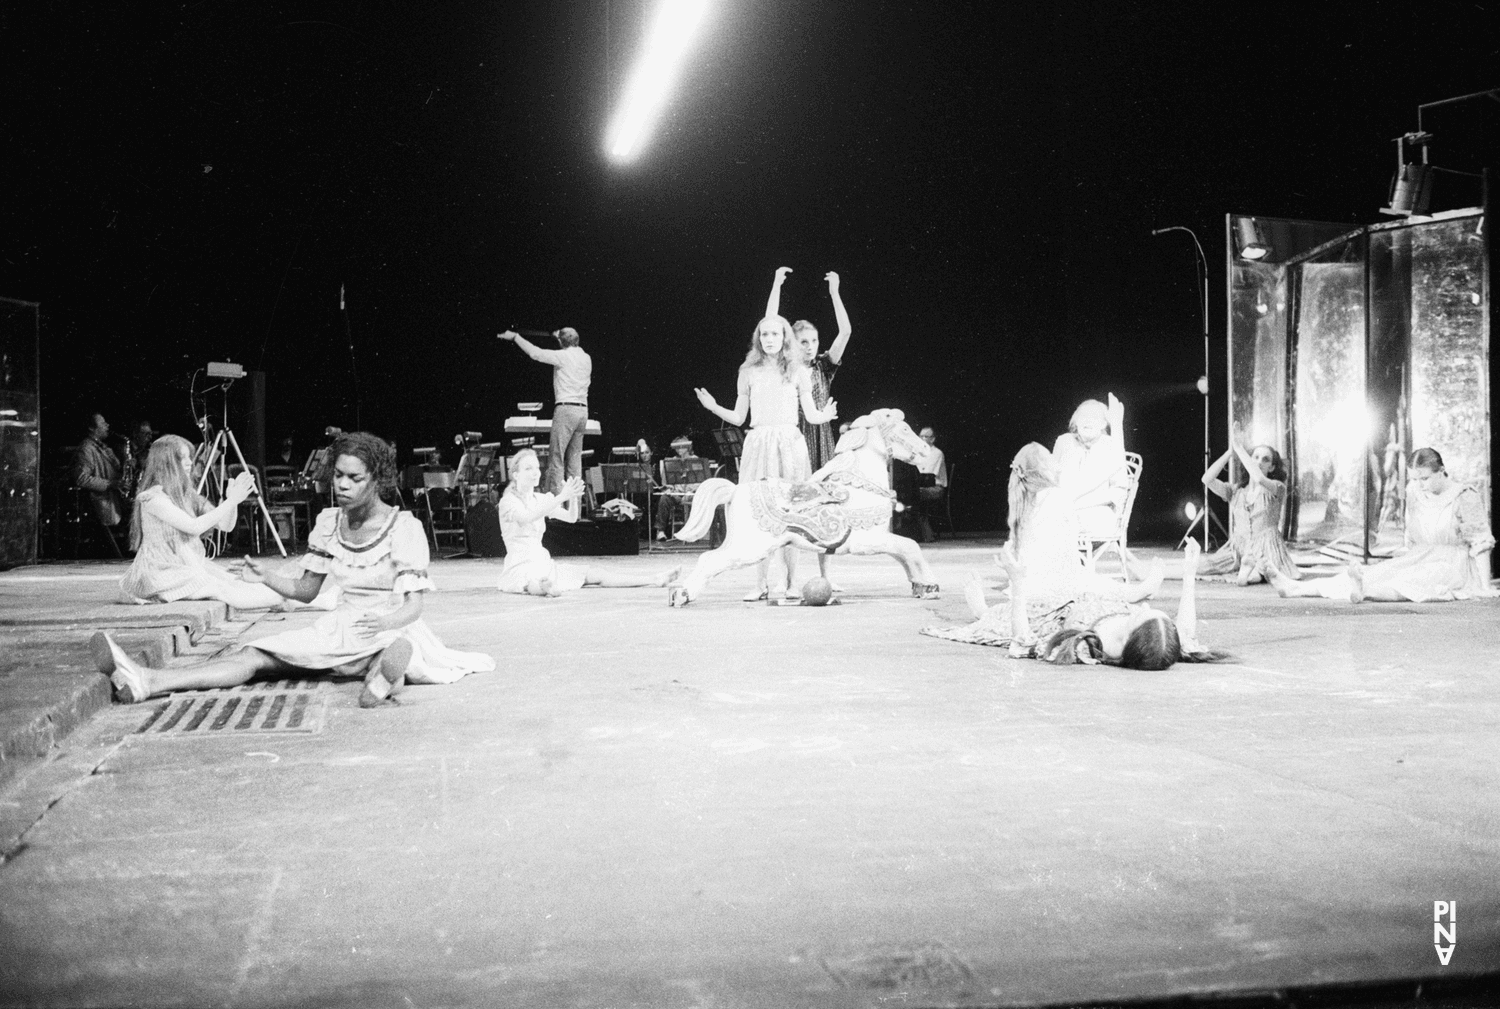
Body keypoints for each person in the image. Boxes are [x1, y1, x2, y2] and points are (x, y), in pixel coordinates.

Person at [92, 431, 494, 708]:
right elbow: (307, 591)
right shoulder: (328, 523)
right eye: (338, 475)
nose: (343, 485)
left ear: (378, 480)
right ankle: (147, 681)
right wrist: (267, 577)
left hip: (390, 626)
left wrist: (387, 621)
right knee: (255, 654)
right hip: (341, 625)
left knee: (385, 650)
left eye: (355, 478)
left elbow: (413, 606)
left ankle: (385, 671)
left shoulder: (403, 527)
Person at [694, 311, 838, 600]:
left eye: (775, 334)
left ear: (785, 337)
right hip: (759, 442)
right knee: (758, 513)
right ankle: (760, 583)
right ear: (758, 339)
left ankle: (792, 582)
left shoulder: (799, 371)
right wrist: (712, 407)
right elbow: (738, 417)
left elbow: (810, 415)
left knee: (792, 514)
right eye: (764, 334)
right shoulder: (747, 371)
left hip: (790, 443)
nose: (769, 339)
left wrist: (825, 415)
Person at [1271, 448, 1496, 603]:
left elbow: (1481, 542)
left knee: (1421, 579)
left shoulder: (1463, 495)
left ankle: (1364, 591)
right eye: (1414, 479)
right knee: (1381, 571)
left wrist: (1484, 586)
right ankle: (1297, 588)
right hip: (1423, 554)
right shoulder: (1414, 491)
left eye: (1424, 479)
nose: (1419, 485)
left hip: (1455, 564)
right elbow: (1414, 536)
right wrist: (1408, 559)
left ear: (1442, 470)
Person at [119, 434, 285, 609]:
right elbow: (194, 527)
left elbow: (225, 526)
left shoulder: (187, 495)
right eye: (182, 458)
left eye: (189, 457)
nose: (190, 462)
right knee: (221, 588)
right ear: (167, 464)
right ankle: (285, 600)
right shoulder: (152, 498)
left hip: (185, 566)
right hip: (161, 573)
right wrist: (231, 501)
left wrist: (230, 502)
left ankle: (290, 597)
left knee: (236, 581)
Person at [496, 448, 680, 596]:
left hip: (542, 562)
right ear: (516, 475)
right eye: (528, 469)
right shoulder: (508, 502)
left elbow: (571, 518)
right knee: (531, 582)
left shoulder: (541, 499)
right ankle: (544, 588)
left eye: (536, 468)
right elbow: (527, 517)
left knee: (595, 573)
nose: (535, 473)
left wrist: (574, 497)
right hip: (519, 565)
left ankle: (654, 579)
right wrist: (562, 496)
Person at [1196, 427, 1299, 585]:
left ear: (1271, 467)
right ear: (1249, 460)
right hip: (1239, 549)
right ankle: (1246, 571)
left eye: (1265, 459)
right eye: (1256, 457)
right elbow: (1207, 479)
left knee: (1265, 568)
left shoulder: (1277, 487)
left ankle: (1249, 574)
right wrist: (1231, 452)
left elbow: (1259, 479)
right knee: (1200, 567)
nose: (1259, 462)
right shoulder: (1236, 491)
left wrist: (1240, 448)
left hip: (1267, 547)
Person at [497, 327, 591, 494]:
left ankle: (557, 507)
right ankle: (574, 510)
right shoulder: (586, 358)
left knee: (557, 458)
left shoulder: (563, 356)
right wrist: (560, 338)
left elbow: (535, 353)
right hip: (582, 411)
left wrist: (516, 337)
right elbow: (567, 345)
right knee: (575, 461)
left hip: (566, 409)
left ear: (562, 342)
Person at [1053, 396, 1130, 539]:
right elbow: (1051, 480)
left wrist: (1079, 504)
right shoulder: (1064, 442)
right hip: (1064, 509)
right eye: (1083, 417)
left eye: (1093, 417)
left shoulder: (1111, 445)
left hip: (1097, 511)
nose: (1087, 421)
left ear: (1103, 424)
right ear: (1075, 422)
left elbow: (1119, 492)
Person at [72, 412, 125, 530]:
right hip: (101, 508)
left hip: (113, 504)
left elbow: (115, 472)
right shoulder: (86, 449)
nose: (107, 425)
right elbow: (82, 479)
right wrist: (110, 484)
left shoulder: (104, 447)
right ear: (92, 428)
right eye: (103, 423)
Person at [654, 436, 707, 541]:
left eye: (682, 446)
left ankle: (696, 532)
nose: (679, 449)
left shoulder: (696, 460)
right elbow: (666, 483)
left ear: (688, 447)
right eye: (677, 447)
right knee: (664, 499)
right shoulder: (671, 462)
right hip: (676, 495)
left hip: (692, 494)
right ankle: (660, 531)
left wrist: (690, 492)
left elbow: (701, 482)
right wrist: (673, 492)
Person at [910, 425, 949, 543]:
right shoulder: (916, 452)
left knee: (914, 494)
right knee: (909, 494)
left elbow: (927, 475)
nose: (921, 439)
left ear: (932, 439)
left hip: (936, 488)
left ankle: (925, 534)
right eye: (920, 436)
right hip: (922, 487)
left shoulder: (937, 453)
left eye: (925, 437)